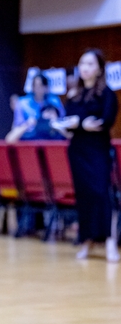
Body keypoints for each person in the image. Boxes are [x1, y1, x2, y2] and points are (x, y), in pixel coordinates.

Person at [53, 49, 119, 262]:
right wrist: (76, 124)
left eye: (90, 64)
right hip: (78, 151)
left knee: (101, 193)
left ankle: (110, 242)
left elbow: (104, 121)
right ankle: (86, 240)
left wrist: (79, 123)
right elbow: (71, 123)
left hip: (98, 150)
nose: (85, 68)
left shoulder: (106, 94)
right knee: (84, 196)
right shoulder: (74, 95)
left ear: (99, 68)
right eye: (82, 64)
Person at [11, 73, 65, 140]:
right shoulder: (22, 103)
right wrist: (28, 123)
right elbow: (16, 127)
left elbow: (63, 121)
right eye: (35, 86)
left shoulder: (54, 101)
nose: (38, 89)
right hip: (29, 139)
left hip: (51, 138)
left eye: (41, 86)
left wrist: (54, 121)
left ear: (46, 87)